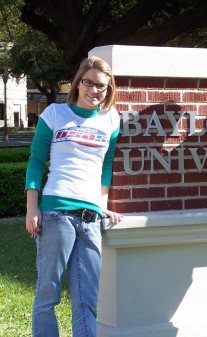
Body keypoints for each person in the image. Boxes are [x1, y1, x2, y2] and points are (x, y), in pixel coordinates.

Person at [25, 56, 124, 337]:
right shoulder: (55, 114)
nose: (94, 90)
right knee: (48, 296)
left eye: (102, 86)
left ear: (109, 89)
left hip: (91, 219)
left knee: (86, 301)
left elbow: (106, 164)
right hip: (56, 213)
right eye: (88, 83)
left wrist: (102, 205)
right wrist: (33, 207)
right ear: (78, 83)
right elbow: (35, 161)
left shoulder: (111, 119)